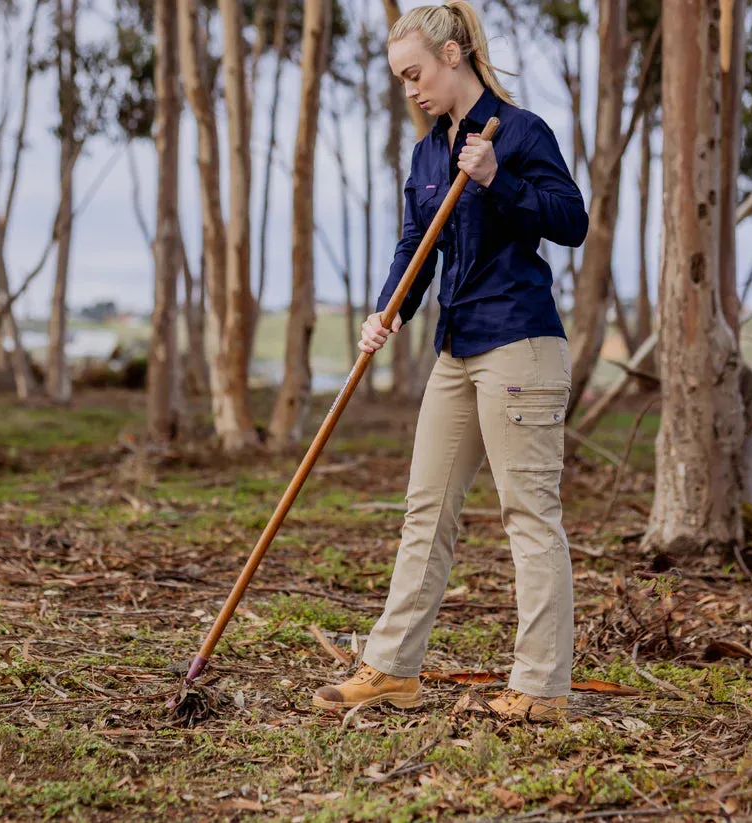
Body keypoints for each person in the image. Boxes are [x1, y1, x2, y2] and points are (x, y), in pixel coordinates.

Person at [312, 1, 588, 724]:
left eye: (415, 73)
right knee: (424, 514)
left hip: (520, 344)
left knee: (528, 515)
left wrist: (500, 177)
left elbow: (571, 222)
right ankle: (392, 668)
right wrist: (387, 310)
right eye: (400, 78)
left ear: (454, 54)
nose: (410, 89)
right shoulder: (429, 150)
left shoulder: (520, 131)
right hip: (456, 347)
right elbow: (416, 247)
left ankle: (539, 687)